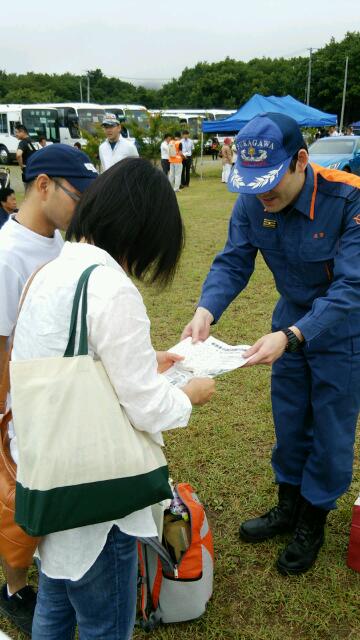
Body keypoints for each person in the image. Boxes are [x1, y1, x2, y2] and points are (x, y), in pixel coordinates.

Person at [11, 157, 215, 639]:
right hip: (98, 507)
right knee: (107, 625)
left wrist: (147, 361)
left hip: (49, 485)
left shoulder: (50, 272)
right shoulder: (109, 286)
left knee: (56, 606)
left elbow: (71, 365)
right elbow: (146, 406)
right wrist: (190, 395)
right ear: (140, 231)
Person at [182, 112, 360, 576]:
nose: (263, 195)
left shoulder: (348, 197)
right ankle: (288, 504)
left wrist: (294, 335)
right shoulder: (253, 199)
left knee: (331, 431)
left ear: (301, 161)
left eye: (272, 183)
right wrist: (206, 310)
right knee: (289, 416)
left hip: (342, 333)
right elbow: (233, 261)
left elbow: (351, 287)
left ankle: (313, 519)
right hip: (288, 325)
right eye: (253, 184)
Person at [0, 144, 98, 635]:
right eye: (79, 196)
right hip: (23, 405)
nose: (83, 208)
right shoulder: (7, 255)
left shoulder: (61, 243)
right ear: (43, 186)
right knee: (17, 507)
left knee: (50, 502)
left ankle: (48, 577)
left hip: (63, 396)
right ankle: (15, 588)